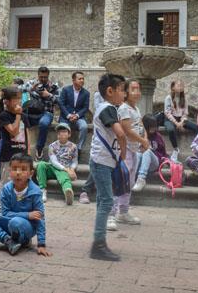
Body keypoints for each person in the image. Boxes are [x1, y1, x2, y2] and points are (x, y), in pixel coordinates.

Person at [0, 153, 51, 257]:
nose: (18, 173)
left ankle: (23, 239)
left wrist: (41, 244)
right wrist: (27, 215)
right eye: (14, 169)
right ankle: (8, 240)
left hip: (27, 227)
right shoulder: (6, 189)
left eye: (23, 169)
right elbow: (5, 214)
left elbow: (40, 218)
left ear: (30, 173)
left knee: (15, 222)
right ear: (10, 171)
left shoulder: (35, 191)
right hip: (9, 222)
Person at [89, 73, 127, 261]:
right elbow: (120, 133)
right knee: (106, 201)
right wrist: (124, 151)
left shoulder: (110, 108)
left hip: (104, 161)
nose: (125, 93)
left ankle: (99, 240)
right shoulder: (107, 108)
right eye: (122, 90)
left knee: (103, 201)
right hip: (101, 161)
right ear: (110, 91)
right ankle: (98, 245)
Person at [109, 80, 148, 230]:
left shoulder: (135, 108)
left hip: (134, 151)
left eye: (138, 89)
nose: (137, 92)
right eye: (133, 89)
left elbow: (140, 125)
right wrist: (143, 141)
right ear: (125, 93)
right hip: (124, 152)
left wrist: (146, 139)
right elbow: (126, 130)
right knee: (120, 182)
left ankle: (123, 212)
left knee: (129, 183)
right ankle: (111, 214)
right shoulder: (124, 108)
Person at [0, 87, 30, 208]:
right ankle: (1, 206)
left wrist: (28, 153)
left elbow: (27, 136)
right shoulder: (4, 116)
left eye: (20, 99)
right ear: (7, 102)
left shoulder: (24, 116)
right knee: (6, 181)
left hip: (21, 154)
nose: (19, 102)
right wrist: (18, 115)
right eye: (16, 99)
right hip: (8, 155)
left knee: (21, 182)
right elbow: (14, 132)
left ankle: (17, 205)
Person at [21, 66, 59, 159]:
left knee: (43, 123)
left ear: (48, 76)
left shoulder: (53, 86)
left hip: (47, 112)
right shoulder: (31, 83)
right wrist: (31, 89)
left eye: (45, 77)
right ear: (38, 75)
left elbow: (60, 101)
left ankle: (39, 149)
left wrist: (49, 95)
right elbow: (19, 89)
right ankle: (22, 149)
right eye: (41, 77)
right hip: (33, 112)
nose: (43, 79)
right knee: (19, 119)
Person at [36, 123, 77, 205]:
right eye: (59, 132)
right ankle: (42, 190)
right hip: (52, 168)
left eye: (64, 131)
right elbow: (54, 162)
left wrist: (72, 169)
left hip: (64, 170)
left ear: (69, 134)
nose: (61, 134)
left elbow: (75, 161)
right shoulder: (52, 146)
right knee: (41, 164)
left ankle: (68, 192)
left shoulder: (73, 146)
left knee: (64, 177)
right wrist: (67, 170)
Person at [164, 80, 198, 160]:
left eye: (182, 85)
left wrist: (181, 122)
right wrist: (176, 123)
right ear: (173, 87)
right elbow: (167, 113)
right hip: (170, 119)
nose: (180, 87)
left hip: (181, 120)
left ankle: (197, 147)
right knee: (170, 129)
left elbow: (185, 113)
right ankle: (176, 149)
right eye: (178, 85)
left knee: (197, 127)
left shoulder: (184, 99)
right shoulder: (168, 98)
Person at [132, 114, 169, 191]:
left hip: (153, 164)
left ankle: (141, 179)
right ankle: (132, 177)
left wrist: (152, 151)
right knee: (138, 154)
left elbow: (163, 153)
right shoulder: (139, 135)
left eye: (155, 126)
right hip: (140, 163)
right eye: (151, 126)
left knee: (147, 152)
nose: (154, 128)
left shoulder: (158, 136)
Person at [58, 72, 90, 156]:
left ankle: (79, 148)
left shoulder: (86, 93)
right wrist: (68, 115)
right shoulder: (65, 90)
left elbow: (85, 107)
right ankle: (63, 148)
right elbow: (61, 104)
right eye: (80, 79)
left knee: (84, 127)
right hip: (65, 117)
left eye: (83, 79)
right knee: (62, 128)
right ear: (73, 80)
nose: (82, 80)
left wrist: (77, 115)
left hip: (79, 117)